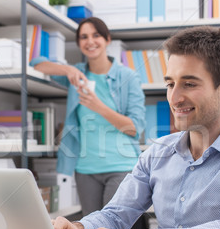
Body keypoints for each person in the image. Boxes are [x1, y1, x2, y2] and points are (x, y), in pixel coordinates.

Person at [52, 26, 220, 229]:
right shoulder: (157, 153)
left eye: (189, 84)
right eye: (170, 84)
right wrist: (79, 228)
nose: (174, 98)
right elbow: (116, 215)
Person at [30, 17, 146, 217]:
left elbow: (134, 128)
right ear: (78, 43)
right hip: (85, 169)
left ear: (107, 39)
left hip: (121, 166)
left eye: (96, 35)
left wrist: (98, 106)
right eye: (83, 37)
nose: (90, 41)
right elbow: (37, 64)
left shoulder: (128, 77)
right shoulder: (77, 76)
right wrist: (68, 69)